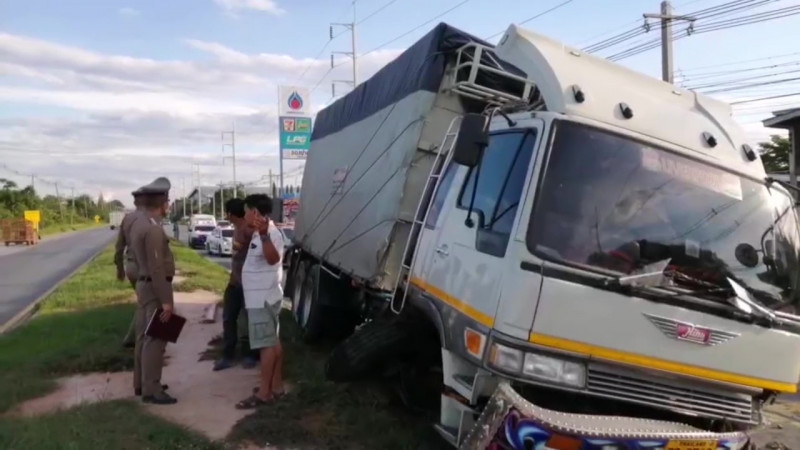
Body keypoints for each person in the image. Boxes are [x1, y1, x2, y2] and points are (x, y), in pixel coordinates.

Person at [130, 177, 178, 405]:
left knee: (146, 336)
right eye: (167, 202)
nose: (168, 206)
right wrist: (166, 300)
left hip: (146, 285)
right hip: (155, 286)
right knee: (156, 339)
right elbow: (157, 268)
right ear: (163, 203)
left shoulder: (140, 223)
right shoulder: (153, 229)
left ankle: (144, 383)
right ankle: (152, 389)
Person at [236, 194, 285, 409]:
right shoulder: (258, 232)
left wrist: (264, 236)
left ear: (255, 212)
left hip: (262, 298)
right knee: (273, 342)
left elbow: (274, 259)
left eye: (246, 211)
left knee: (266, 345)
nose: (244, 215)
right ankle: (276, 387)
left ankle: (264, 393)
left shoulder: (270, 233)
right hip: (262, 297)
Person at [213, 198, 259, 371]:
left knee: (248, 320)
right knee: (228, 318)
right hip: (234, 283)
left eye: (227, 213)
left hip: (248, 284)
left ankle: (250, 355)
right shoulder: (237, 229)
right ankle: (228, 355)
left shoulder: (249, 230)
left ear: (231, 214)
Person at [116, 190, 146, 349]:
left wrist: (120, 269)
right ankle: (137, 340)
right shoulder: (150, 220)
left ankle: (138, 339)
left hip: (131, 266)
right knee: (156, 303)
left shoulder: (127, 219)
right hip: (145, 269)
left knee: (144, 302)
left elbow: (119, 247)